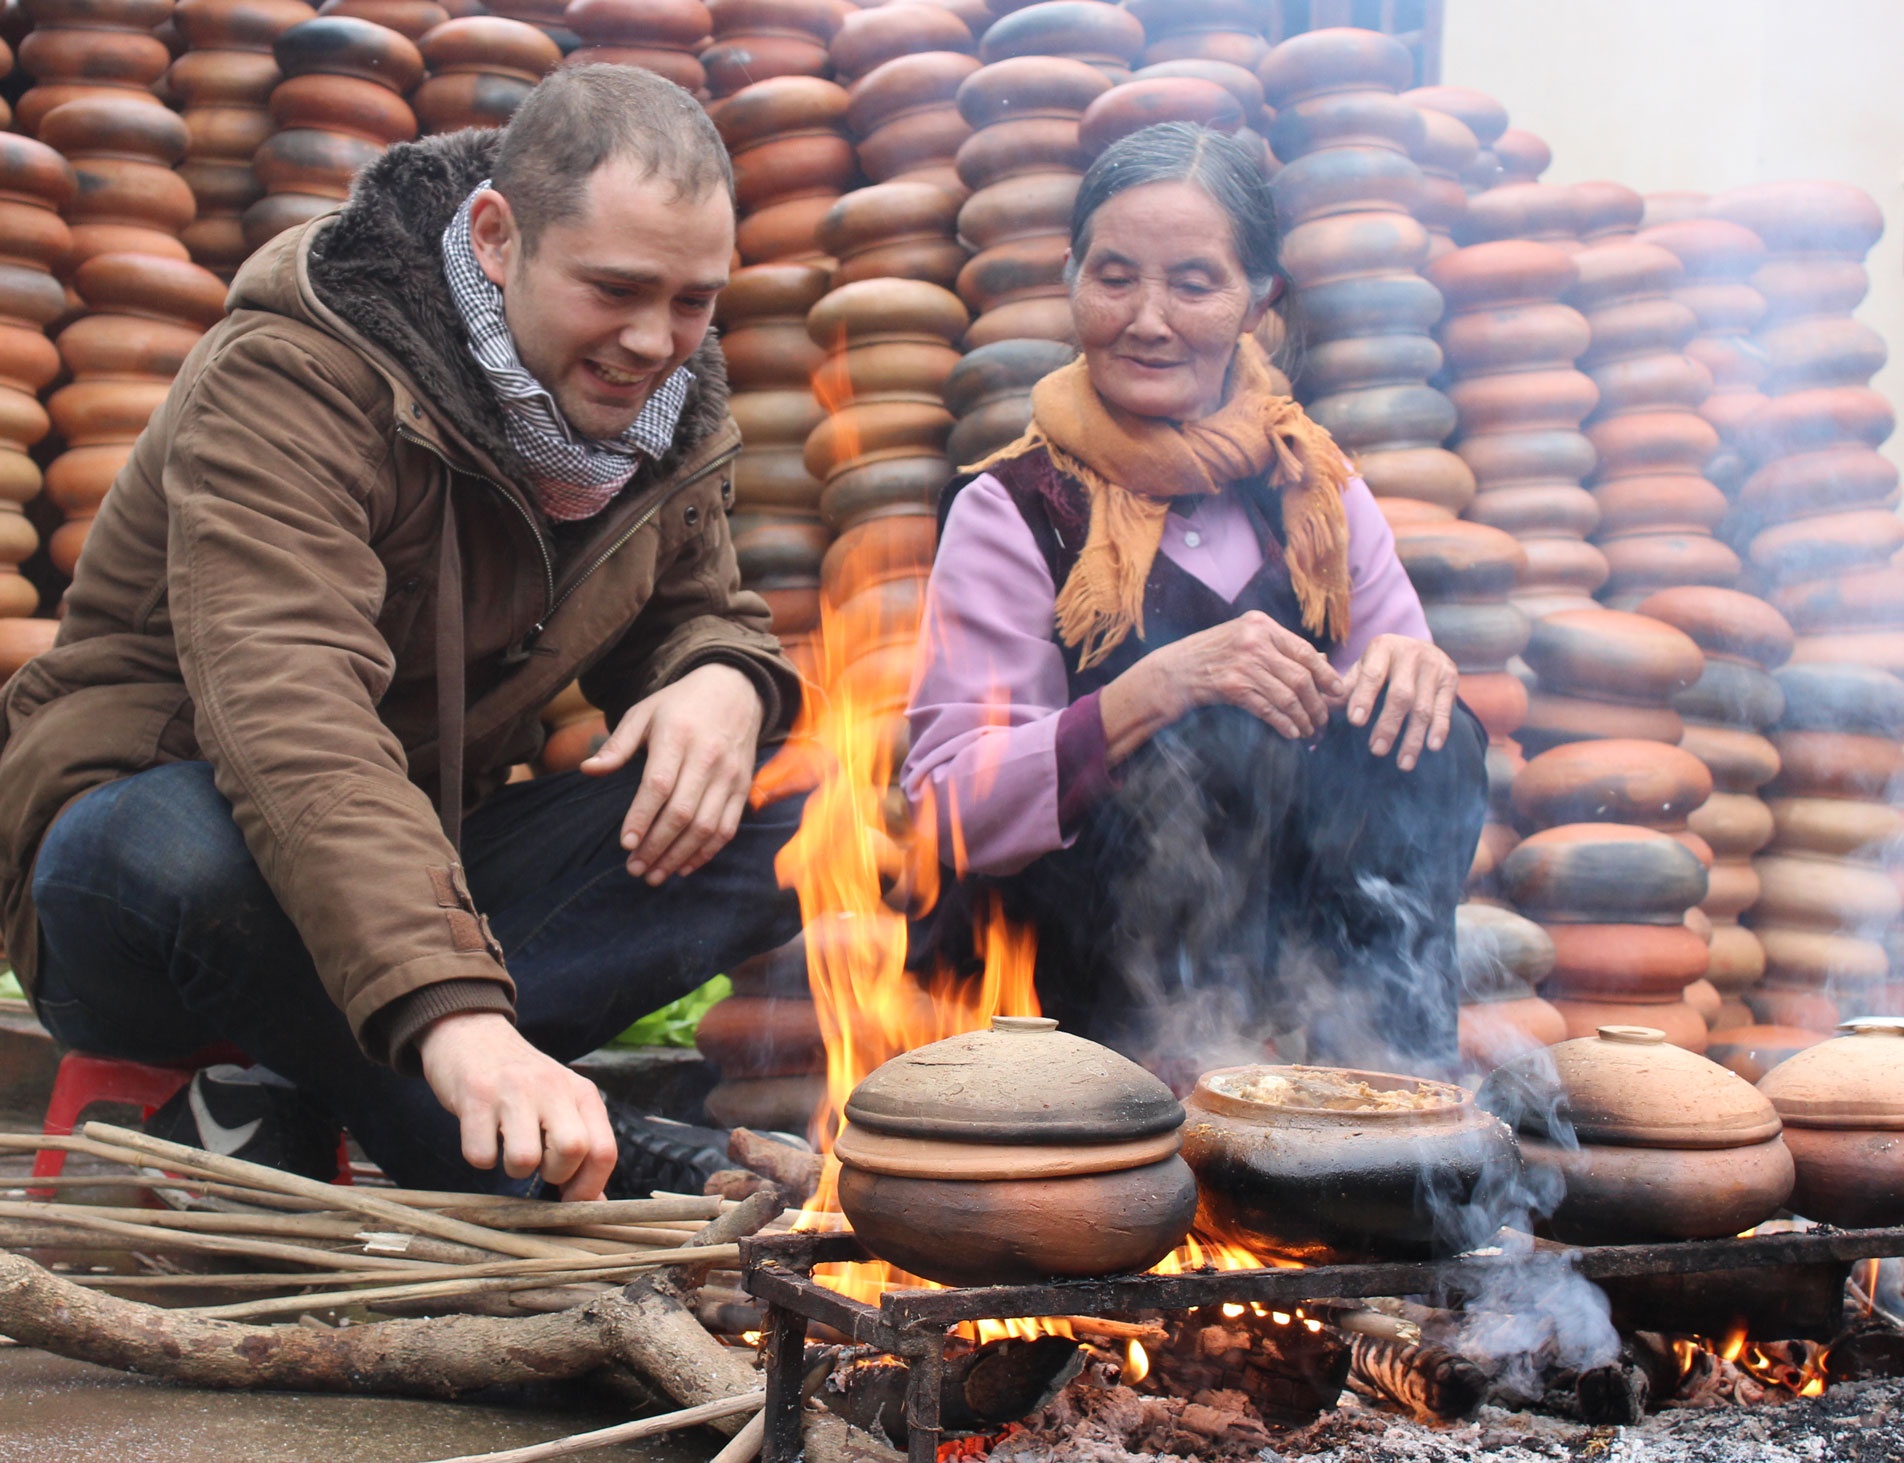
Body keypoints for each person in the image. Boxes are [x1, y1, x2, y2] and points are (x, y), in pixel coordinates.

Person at [0, 66, 806, 1198]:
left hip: (419, 873)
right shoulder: (294, 374)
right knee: (171, 845)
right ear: (494, 236)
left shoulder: (659, 415)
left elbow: (698, 614)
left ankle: (327, 1074)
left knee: (807, 805)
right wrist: (456, 1011)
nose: (653, 339)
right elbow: (294, 713)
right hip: (164, 880)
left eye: (693, 301)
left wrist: (720, 677)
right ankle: (614, 1164)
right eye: (614, 288)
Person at [903, 123, 1487, 1077]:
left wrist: (1415, 673)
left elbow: (1390, 733)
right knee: (1199, 735)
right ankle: (1150, 1116)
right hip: (1066, 995)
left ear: (1262, 302)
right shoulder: (1014, 509)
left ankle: (1385, 1104)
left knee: (1436, 738)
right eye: (1116, 275)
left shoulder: (1317, 491)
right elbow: (946, 803)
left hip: (1282, 964)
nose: (1148, 318)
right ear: (1071, 278)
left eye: (1194, 282)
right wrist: (1152, 691)